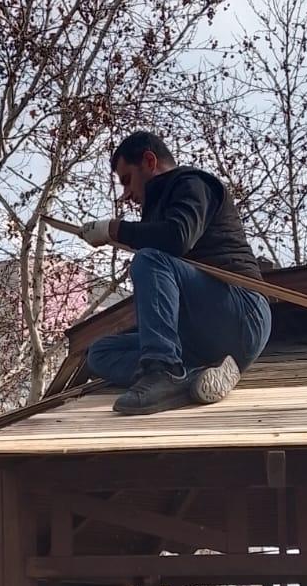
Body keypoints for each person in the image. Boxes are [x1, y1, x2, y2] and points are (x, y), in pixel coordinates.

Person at [81, 131, 272, 416]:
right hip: (198, 336)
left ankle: (164, 373)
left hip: (242, 313)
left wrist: (115, 229)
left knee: (149, 260)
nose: (126, 194)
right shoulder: (157, 211)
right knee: (100, 353)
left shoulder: (192, 184)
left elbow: (178, 237)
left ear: (149, 160)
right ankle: (194, 377)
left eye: (127, 179)